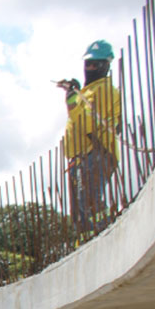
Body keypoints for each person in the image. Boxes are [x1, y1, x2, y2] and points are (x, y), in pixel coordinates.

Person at [60, 39, 122, 236]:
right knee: (80, 211)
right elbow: (80, 115)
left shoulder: (103, 90)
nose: (90, 67)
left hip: (96, 152)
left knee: (89, 201)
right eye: (88, 63)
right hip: (81, 156)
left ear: (105, 65)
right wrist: (73, 94)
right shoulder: (88, 92)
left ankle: (102, 233)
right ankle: (86, 239)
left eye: (95, 64)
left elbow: (86, 123)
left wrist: (72, 99)